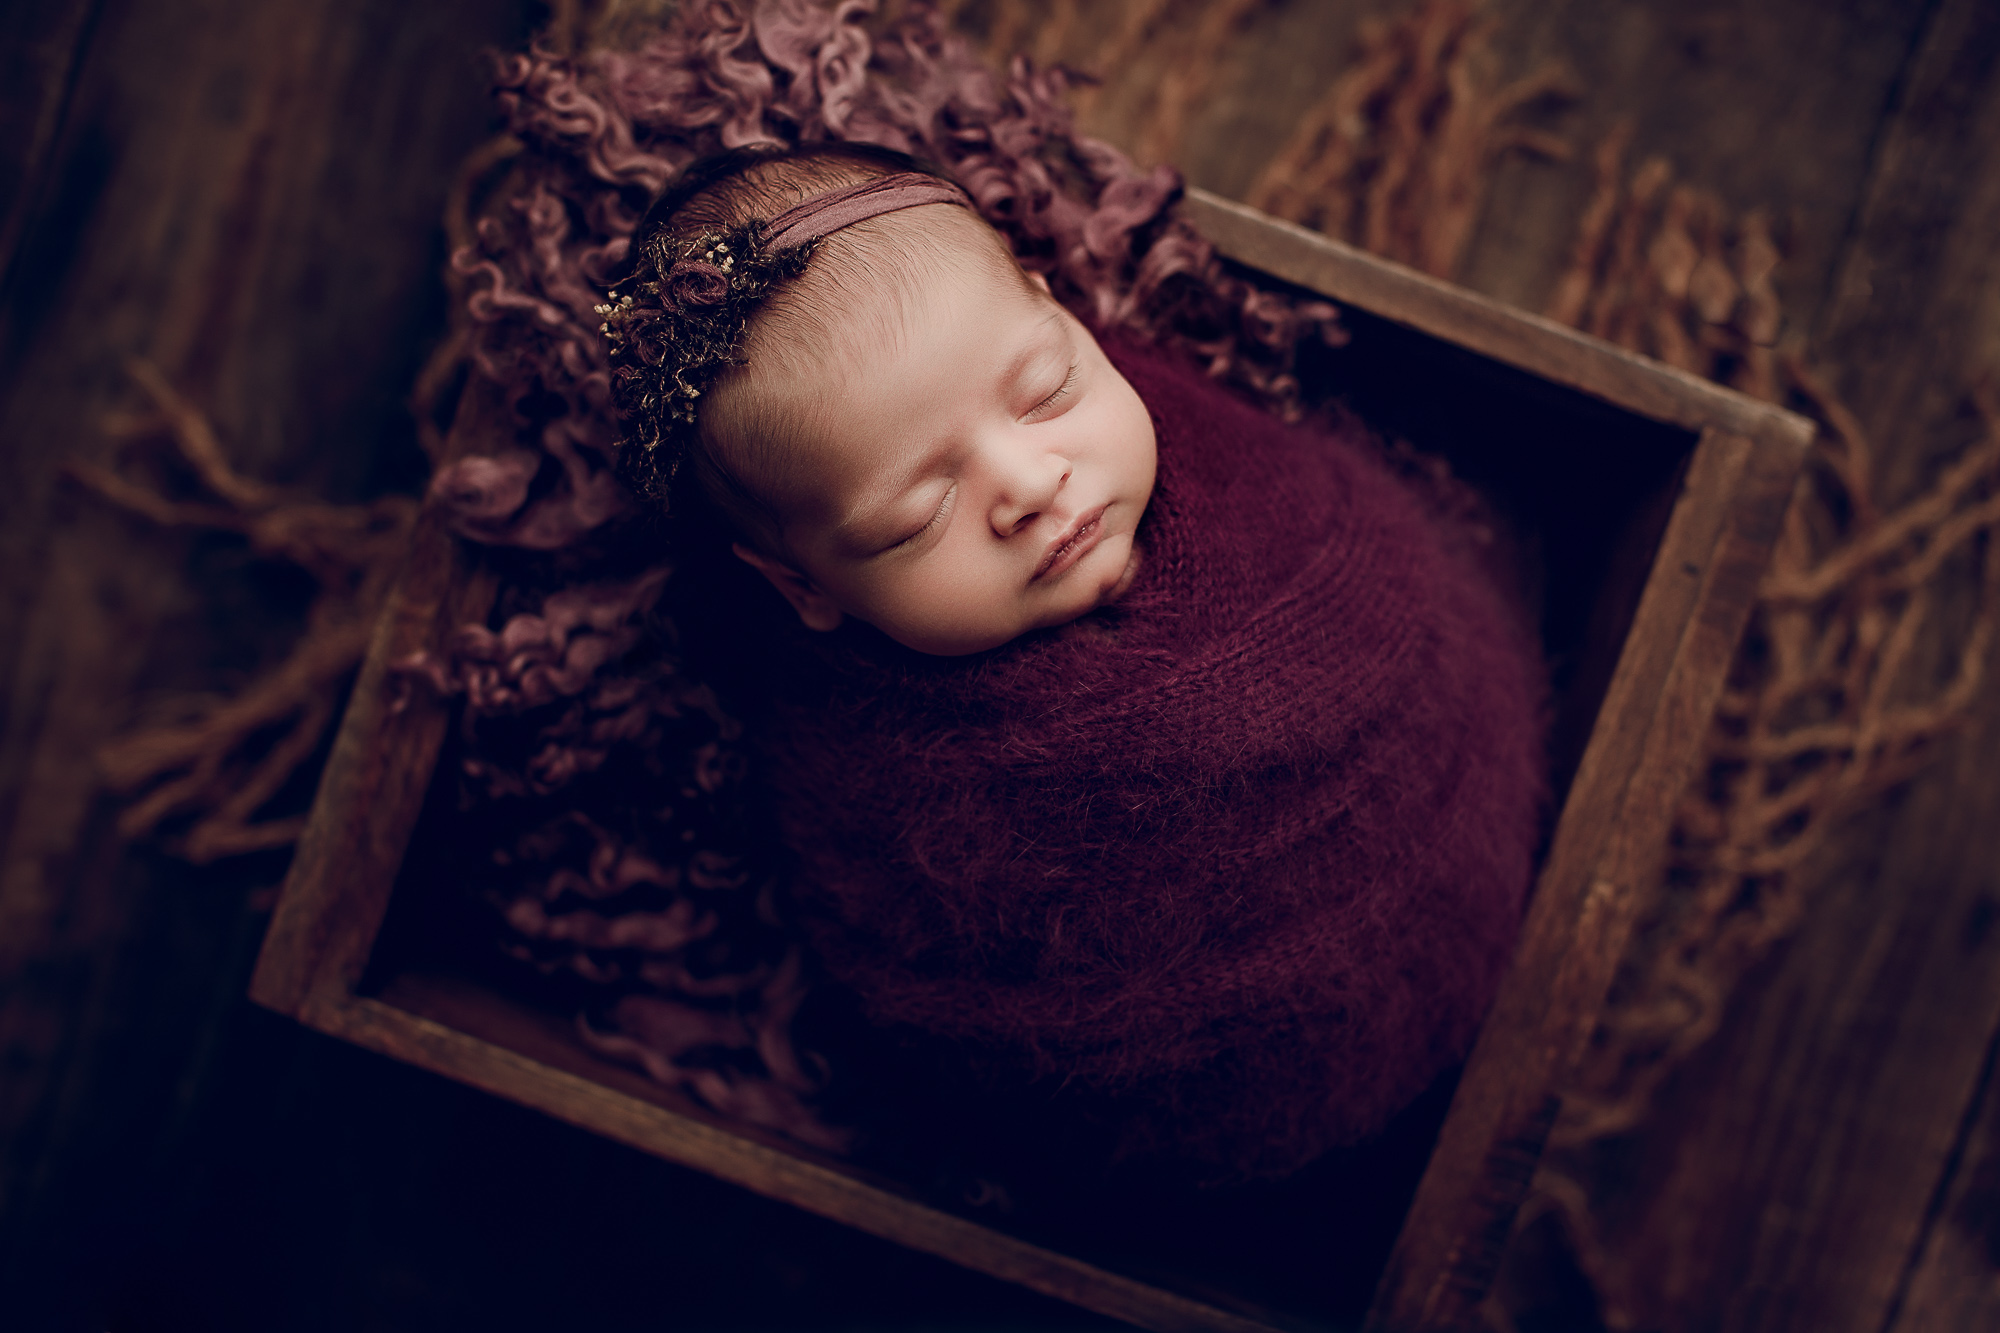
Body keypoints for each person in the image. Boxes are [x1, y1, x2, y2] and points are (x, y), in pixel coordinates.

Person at [603, 141, 1548, 1179]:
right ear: (803, 588)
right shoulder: (864, 780)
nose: (1028, 483)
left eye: (1046, 388)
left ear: (1064, 313)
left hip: (1460, 844)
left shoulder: (1239, 475)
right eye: (917, 517)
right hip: (1199, 1114)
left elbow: (1395, 581)